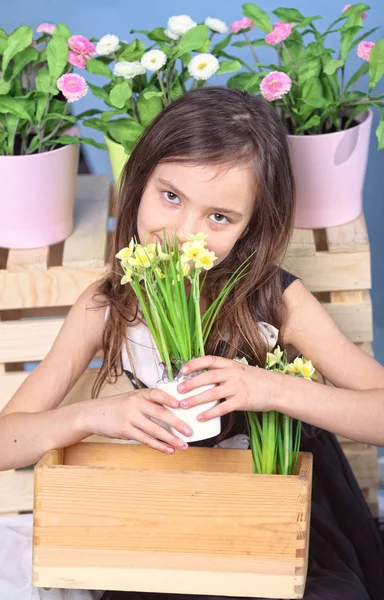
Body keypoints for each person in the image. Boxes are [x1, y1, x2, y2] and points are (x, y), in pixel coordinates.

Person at [1, 87, 384, 600]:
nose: (184, 234)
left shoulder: (276, 303)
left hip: (269, 519)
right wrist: (94, 417)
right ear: (139, 182)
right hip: (168, 513)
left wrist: (269, 388)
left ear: (252, 227)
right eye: (172, 196)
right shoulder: (108, 305)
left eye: (220, 217)